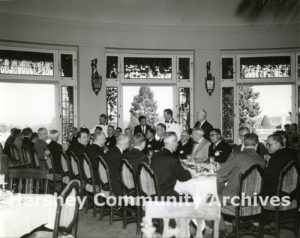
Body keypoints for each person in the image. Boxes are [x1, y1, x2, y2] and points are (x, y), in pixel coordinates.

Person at [217, 133, 266, 235]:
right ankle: (233, 226)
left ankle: (221, 230)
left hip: (233, 198)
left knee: (209, 197)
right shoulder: (262, 161)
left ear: (243, 143)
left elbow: (220, 176)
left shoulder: (236, 155)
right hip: (254, 200)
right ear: (257, 145)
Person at [151, 132, 191, 197]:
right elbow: (183, 177)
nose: (177, 144)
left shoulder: (155, 155)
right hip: (166, 194)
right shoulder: (172, 158)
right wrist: (189, 171)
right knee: (192, 199)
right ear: (172, 143)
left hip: (154, 191)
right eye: (176, 142)